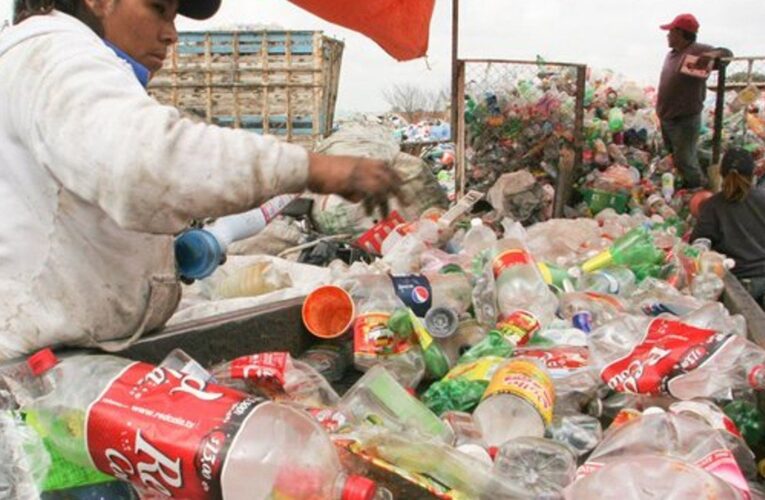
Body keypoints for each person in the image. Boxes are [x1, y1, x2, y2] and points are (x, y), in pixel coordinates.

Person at [0, 0, 404, 360]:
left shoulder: (53, 57)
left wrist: (163, 258)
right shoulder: (55, 53)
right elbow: (146, 167)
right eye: (158, 9)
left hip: (77, 349)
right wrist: (313, 168)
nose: (171, 33)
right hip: (41, 367)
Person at [656, 13, 732, 189]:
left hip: (685, 119)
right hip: (667, 117)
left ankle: (698, 190)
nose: (667, 35)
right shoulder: (672, 54)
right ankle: (686, 184)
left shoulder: (697, 50)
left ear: (681, 33)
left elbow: (727, 54)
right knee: (676, 156)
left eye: (671, 31)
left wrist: (713, 54)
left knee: (685, 159)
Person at [691, 148, 765, 306]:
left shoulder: (712, 206)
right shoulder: (762, 199)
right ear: (753, 174)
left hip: (739, 283)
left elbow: (700, 244)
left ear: (721, 174)